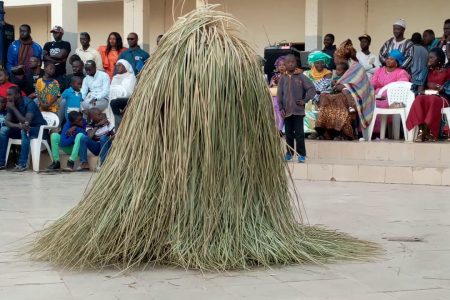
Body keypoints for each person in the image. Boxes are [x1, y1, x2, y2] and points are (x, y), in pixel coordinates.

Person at [316, 39, 375, 141]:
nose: (334, 60)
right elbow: (336, 83)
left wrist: (344, 87)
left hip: (357, 96)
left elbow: (361, 86)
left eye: (336, 57)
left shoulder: (357, 67)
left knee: (340, 99)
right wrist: (338, 86)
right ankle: (326, 132)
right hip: (342, 92)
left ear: (342, 59)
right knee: (324, 97)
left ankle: (343, 133)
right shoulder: (339, 68)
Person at [277, 54, 315, 163]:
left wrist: (305, 100)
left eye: (292, 62)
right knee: (288, 134)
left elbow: (311, 89)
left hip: (298, 111)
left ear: (296, 63)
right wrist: (280, 108)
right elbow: (280, 94)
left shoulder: (301, 76)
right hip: (287, 111)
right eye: (288, 62)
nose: (290, 64)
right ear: (285, 64)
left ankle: (301, 154)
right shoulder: (282, 78)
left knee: (299, 134)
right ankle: (289, 153)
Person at [406, 48, 450, 142]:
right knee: (419, 99)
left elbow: (448, 90)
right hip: (428, 95)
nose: (428, 60)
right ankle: (422, 131)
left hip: (443, 98)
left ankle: (427, 132)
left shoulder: (447, 71)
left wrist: (441, 88)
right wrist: (425, 71)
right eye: (428, 58)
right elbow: (419, 91)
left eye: (431, 58)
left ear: (439, 59)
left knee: (433, 100)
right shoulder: (426, 71)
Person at [0, 86, 47, 171]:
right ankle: (1, 163)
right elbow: (7, 122)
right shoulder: (12, 103)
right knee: (3, 130)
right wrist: (19, 126)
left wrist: (13, 109)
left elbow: (26, 122)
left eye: (10, 95)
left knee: (25, 131)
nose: (8, 97)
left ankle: (22, 164)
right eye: (7, 95)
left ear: (18, 94)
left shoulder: (29, 103)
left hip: (38, 130)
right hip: (23, 129)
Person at [303, 51, 333, 138]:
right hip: (309, 95)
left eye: (322, 62)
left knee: (314, 104)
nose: (320, 64)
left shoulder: (328, 73)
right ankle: (307, 130)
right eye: (317, 62)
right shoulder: (306, 73)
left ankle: (316, 131)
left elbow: (324, 87)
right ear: (313, 63)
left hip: (323, 95)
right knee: (306, 103)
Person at [109, 59, 136, 128]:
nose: (117, 67)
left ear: (126, 67)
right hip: (113, 98)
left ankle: (119, 124)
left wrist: (118, 92)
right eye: (116, 66)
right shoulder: (115, 77)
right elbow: (111, 90)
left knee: (114, 103)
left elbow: (130, 92)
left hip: (127, 100)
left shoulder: (131, 77)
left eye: (120, 65)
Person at [269, 56, 286, 133]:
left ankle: (280, 129)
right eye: (280, 65)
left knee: (281, 112)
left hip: (284, 97)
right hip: (274, 97)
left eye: (284, 64)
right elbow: (270, 86)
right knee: (275, 112)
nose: (281, 67)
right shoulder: (274, 76)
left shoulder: (289, 76)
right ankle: (276, 128)